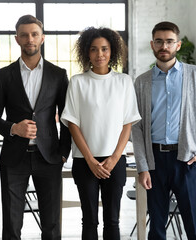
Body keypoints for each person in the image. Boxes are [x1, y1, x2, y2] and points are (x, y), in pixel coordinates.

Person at [0, 15, 71, 240]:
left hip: (49, 158)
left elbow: (67, 118)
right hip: (14, 158)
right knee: (12, 225)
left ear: (42, 38)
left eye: (34, 34)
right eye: (24, 34)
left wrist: (63, 153)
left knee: (52, 224)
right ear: (17, 39)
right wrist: (13, 128)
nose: (29, 39)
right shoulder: (4, 76)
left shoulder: (58, 75)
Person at [131, 21, 196, 240]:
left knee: (194, 226)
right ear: (152, 44)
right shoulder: (141, 82)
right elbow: (136, 128)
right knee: (156, 228)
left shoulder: (195, 75)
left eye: (169, 41)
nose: (163, 46)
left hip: (186, 159)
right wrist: (143, 166)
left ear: (177, 45)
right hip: (154, 161)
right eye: (159, 41)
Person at [60, 27, 141, 240]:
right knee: (89, 220)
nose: (99, 54)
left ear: (112, 51)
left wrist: (114, 158)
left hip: (115, 161)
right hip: (84, 162)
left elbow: (128, 123)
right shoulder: (78, 82)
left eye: (104, 49)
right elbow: (72, 124)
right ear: (87, 52)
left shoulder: (123, 81)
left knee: (112, 220)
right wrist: (90, 160)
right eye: (94, 49)